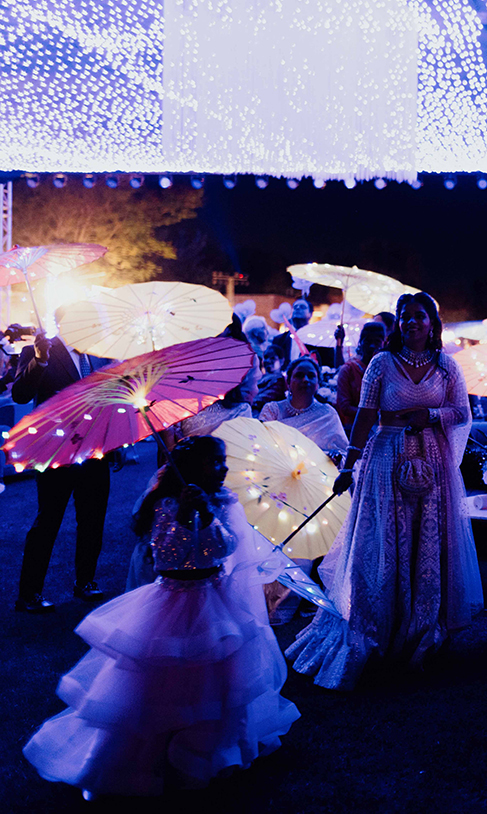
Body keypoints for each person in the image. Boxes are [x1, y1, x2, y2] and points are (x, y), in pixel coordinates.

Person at [23, 437, 299, 797]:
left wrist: (208, 516)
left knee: (217, 683)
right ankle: (152, 755)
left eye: (223, 461)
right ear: (193, 467)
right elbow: (165, 554)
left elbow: (226, 547)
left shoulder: (225, 501)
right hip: (172, 600)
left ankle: (211, 751)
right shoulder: (166, 502)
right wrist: (185, 517)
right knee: (161, 680)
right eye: (214, 462)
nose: (223, 468)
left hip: (214, 603)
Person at [287, 293, 482, 690]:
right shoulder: (381, 363)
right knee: (381, 542)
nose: (411, 322)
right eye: (405, 317)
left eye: (419, 316)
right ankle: (375, 627)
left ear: (433, 322)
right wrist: (349, 464)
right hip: (384, 460)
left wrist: (431, 415)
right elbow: (364, 415)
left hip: (432, 462)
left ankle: (423, 630)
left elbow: (462, 413)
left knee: (425, 544)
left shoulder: (447, 366)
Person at [11, 331, 110, 612]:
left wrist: (114, 444)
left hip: (95, 451)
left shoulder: (96, 353)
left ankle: (85, 582)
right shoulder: (38, 351)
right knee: (48, 521)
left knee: (93, 520)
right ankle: (29, 594)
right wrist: (40, 360)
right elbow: (20, 394)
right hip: (56, 452)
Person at [258, 357, 348, 464]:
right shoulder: (272, 411)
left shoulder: (327, 413)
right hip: (277, 472)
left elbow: (344, 453)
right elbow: (260, 447)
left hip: (316, 476)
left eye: (311, 376)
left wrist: (334, 457)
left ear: (318, 383)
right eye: (299, 375)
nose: (305, 380)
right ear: (288, 382)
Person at [335, 321, 387, 431]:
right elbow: (344, 407)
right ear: (360, 343)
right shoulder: (349, 369)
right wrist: (372, 414)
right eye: (367, 341)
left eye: (377, 342)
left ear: (384, 344)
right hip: (354, 428)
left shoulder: (389, 370)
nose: (372, 346)